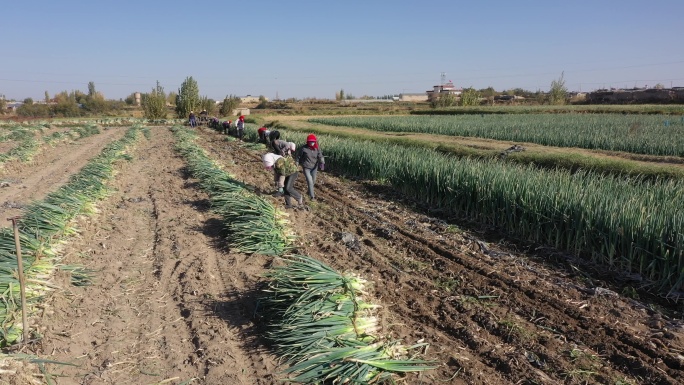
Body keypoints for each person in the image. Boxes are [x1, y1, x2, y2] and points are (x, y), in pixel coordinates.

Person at [297, 134, 325, 200]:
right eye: (310, 141)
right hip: (306, 167)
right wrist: (297, 163)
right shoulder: (304, 148)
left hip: (314, 167)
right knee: (310, 181)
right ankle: (312, 196)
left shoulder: (317, 148)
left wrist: (322, 162)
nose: (312, 143)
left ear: (315, 141)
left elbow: (320, 156)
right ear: (307, 141)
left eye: (313, 141)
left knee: (313, 181)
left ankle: (309, 192)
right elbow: (298, 157)